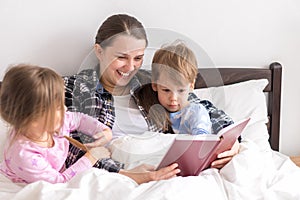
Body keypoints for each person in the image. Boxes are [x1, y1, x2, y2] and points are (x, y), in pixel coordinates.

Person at [63, 13, 239, 173]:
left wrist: (231, 142)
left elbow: (201, 108)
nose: (130, 67)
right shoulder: (74, 88)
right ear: (99, 51)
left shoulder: (153, 82)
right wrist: (124, 173)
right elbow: (71, 148)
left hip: (164, 169)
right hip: (118, 173)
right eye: (122, 57)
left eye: (138, 58)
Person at [0, 64, 179, 184]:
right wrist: (91, 157)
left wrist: (102, 130)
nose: (64, 109)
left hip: (59, 169)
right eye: (56, 107)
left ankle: (130, 175)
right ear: (32, 117)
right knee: (89, 170)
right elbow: (59, 181)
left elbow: (78, 118)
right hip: (33, 182)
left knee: (84, 157)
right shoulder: (25, 155)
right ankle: (132, 177)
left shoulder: (53, 124)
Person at [143, 41, 212, 135]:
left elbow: (202, 138)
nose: (173, 98)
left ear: (191, 86)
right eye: (166, 90)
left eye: (181, 90)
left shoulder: (195, 112)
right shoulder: (154, 111)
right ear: (155, 85)